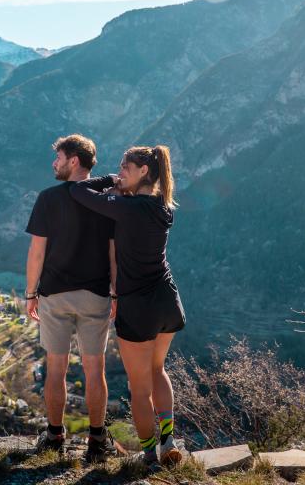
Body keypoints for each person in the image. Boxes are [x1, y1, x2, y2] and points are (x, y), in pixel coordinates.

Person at [69, 145, 186, 467]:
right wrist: (124, 187)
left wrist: (111, 182)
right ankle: (169, 441)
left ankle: (149, 453)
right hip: (167, 300)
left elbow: (79, 190)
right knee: (158, 370)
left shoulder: (126, 208)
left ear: (144, 171)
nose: (119, 172)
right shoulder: (164, 208)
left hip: (137, 306)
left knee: (139, 387)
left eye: (125, 168)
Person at [25, 134, 118, 463]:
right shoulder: (108, 200)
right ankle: (97, 441)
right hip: (95, 296)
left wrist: (29, 294)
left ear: (74, 161)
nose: (54, 163)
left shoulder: (48, 198)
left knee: (56, 370)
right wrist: (115, 292)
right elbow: (113, 252)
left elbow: (37, 252)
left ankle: (54, 436)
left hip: (55, 296)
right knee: (96, 371)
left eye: (59, 158)